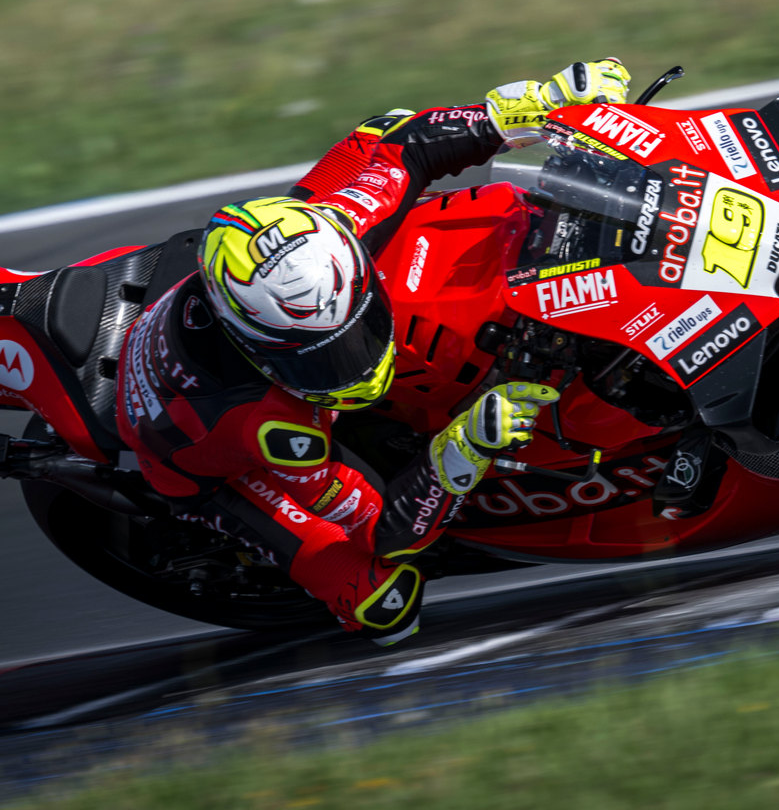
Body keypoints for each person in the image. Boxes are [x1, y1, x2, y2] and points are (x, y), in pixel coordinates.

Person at [114, 59, 633, 644]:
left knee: (376, 134)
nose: (357, 364)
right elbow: (381, 527)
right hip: (188, 455)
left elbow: (404, 148)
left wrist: (529, 106)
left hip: (213, 300)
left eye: (357, 329)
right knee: (382, 603)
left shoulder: (330, 231)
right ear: (261, 349)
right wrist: (463, 448)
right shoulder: (275, 429)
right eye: (322, 357)